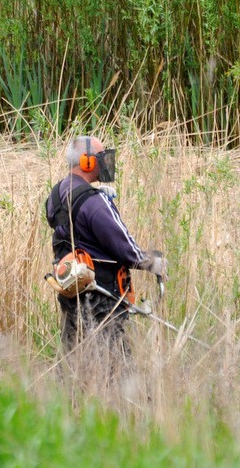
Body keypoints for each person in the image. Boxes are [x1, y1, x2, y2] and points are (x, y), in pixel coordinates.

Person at [45, 136, 168, 359]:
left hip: (72, 291)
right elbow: (124, 246)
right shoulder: (93, 202)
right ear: (87, 162)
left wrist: (97, 195)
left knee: (74, 363)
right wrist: (152, 262)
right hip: (102, 296)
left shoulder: (56, 195)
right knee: (116, 366)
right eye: (100, 157)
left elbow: (78, 233)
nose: (105, 162)